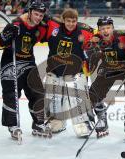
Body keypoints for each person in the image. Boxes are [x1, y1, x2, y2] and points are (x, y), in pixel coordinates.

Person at [0, 2, 52, 141]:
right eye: (36, 14)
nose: (38, 17)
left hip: (28, 63)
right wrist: (6, 35)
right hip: (10, 63)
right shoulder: (16, 24)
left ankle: (38, 123)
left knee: (38, 92)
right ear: (30, 12)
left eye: (41, 15)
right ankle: (13, 125)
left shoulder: (40, 27)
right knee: (11, 94)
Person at [43, 8, 95, 137]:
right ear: (63, 20)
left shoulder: (85, 31)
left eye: (74, 21)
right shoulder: (53, 28)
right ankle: (56, 121)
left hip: (75, 71)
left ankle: (82, 122)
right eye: (68, 21)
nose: (71, 24)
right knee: (54, 97)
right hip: (55, 70)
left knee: (77, 95)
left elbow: (99, 38)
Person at [86, 16, 125, 141]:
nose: (105, 31)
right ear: (98, 30)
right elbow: (89, 57)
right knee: (93, 94)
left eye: (108, 28)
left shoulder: (124, 37)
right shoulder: (96, 41)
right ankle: (102, 118)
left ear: (113, 28)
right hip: (109, 69)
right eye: (102, 28)